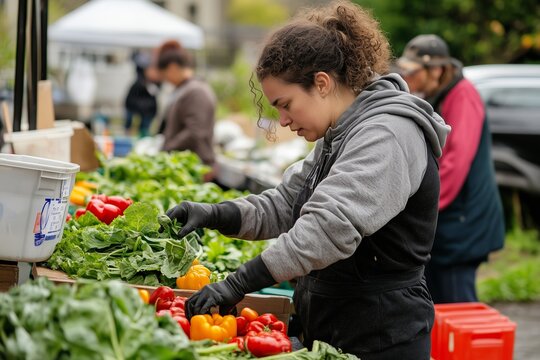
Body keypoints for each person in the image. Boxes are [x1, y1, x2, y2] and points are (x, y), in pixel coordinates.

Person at [166, 1, 450, 359]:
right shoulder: (341, 131)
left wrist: (237, 284)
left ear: (322, 83)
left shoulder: (386, 134)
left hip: (380, 337)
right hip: (336, 325)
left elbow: (326, 230)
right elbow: (286, 203)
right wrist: (213, 214)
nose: (282, 120)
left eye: (286, 104)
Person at [396, 34, 505, 303]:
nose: (406, 76)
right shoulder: (439, 93)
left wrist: (417, 207)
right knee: (440, 305)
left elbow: (454, 164)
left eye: (412, 71)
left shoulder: (463, 95)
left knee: (458, 307)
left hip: (463, 225)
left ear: (436, 70)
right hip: (451, 222)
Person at [156, 40, 217, 182]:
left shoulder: (196, 91)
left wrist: (167, 148)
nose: (166, 80)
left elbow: (196, 131)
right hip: (185, 167)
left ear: (172, 68)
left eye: (165, 75)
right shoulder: (185, 89)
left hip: (196, 167)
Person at [124, 51, 160, 137]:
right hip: (136, 112)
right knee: (134, 132)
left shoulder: (153, 84)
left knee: (144, 131)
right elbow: (130, 102)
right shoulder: (139, 84)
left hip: (146, 114)